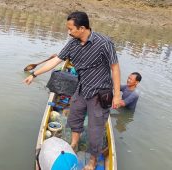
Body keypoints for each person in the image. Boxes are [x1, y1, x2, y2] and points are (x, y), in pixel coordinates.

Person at [23, 11, 121, 170]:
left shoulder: (104, 43)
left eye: (71, 29)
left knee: (95, 130)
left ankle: (92, 162)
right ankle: (74, 144)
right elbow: (55, 61)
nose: (68, 32)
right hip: (81, 88)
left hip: (100, 93)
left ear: (82, 28)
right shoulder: (72, 44)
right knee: (74, 117)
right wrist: (34, 74)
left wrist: (117, 95)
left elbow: (115, 68)